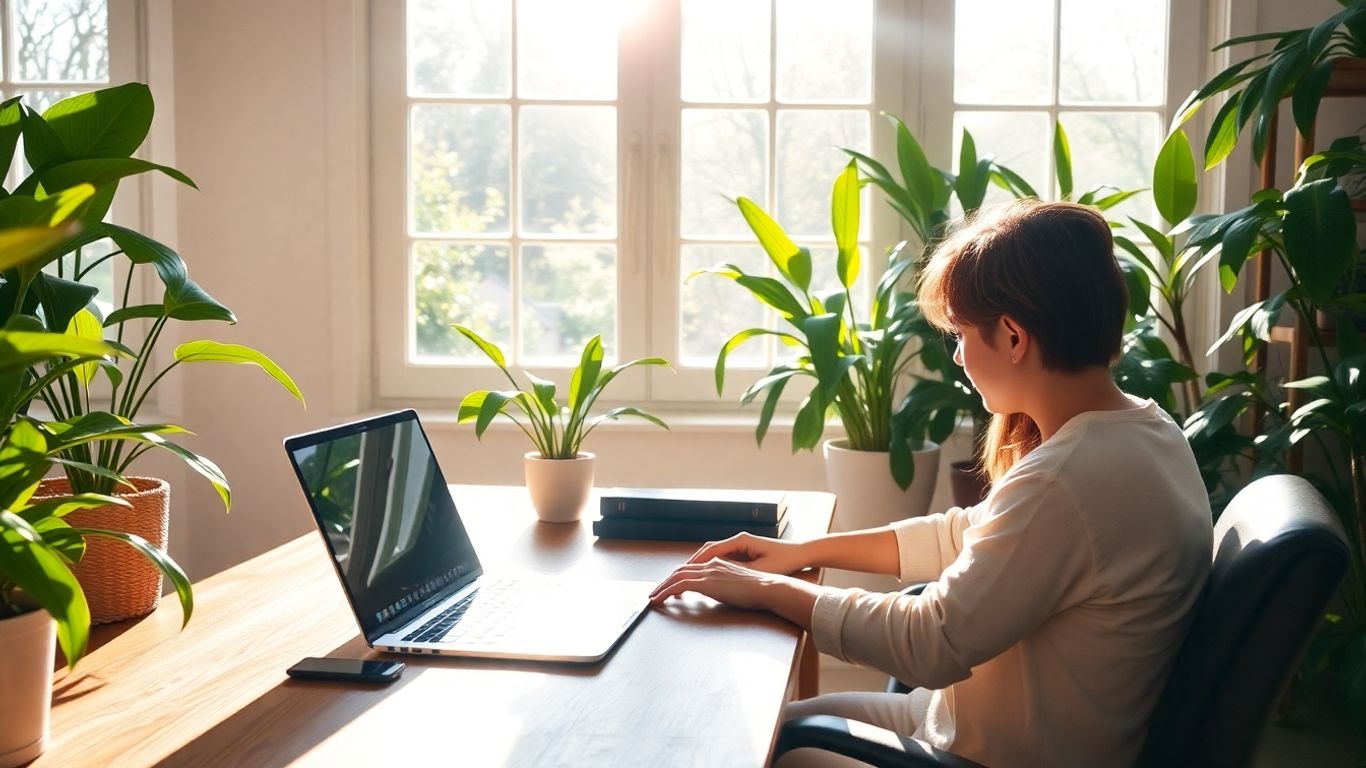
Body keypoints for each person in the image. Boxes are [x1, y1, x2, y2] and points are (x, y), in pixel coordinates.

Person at [649, 199, 1214, 767]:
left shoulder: (1069, 479)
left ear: (1014, 337)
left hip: (983, 757)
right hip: (960, 726)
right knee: (771, 726)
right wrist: (801, 553)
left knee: (754, 744)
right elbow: (965, 534)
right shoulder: (1145, 431)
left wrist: (769, 591)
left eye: (962, 335)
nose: (960, 358)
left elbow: (930, 642)